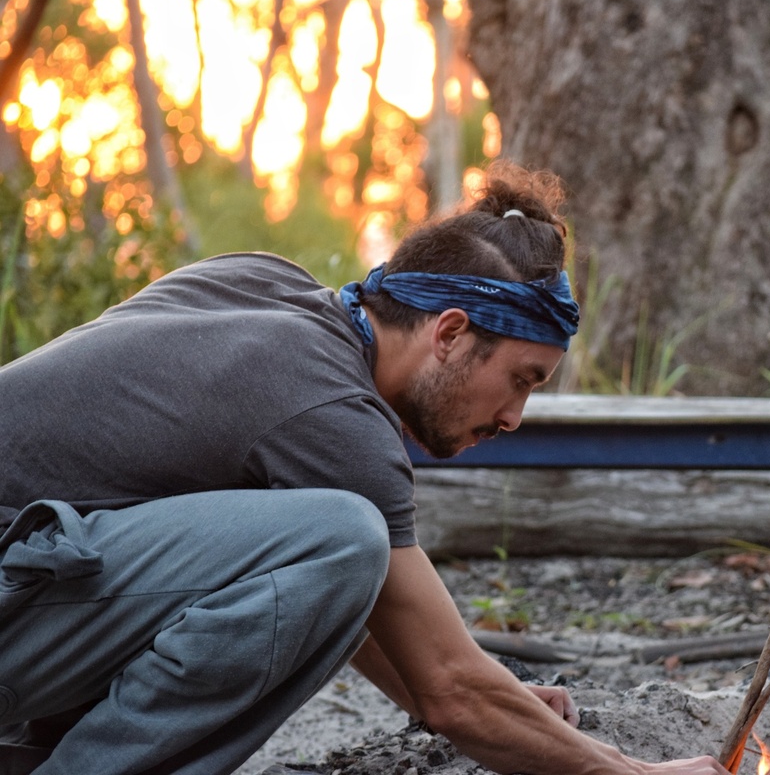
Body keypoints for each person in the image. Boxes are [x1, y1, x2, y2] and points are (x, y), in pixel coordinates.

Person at [0, 162, 730, 775]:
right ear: (450, 333)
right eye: (523, 379)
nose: (513, 418)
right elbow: (452, 691)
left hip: (27, 583)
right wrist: (629, 771)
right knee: (344, 534)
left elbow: (366, 615)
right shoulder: (331, 416)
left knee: (332, 547)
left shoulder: (261, 284)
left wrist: (475, 688)